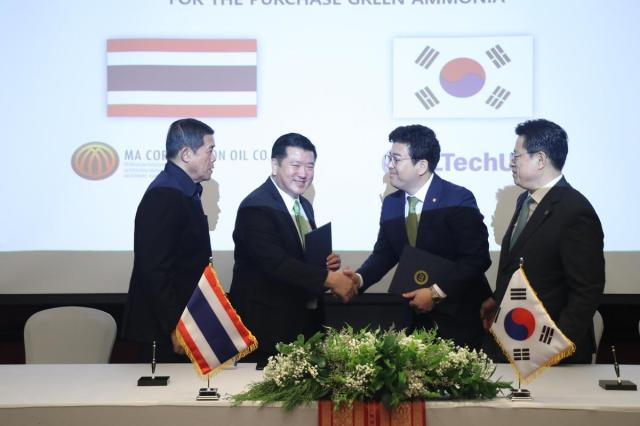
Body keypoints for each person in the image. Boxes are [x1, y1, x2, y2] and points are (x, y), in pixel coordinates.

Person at [348, 124, 493, 350]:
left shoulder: (458, 199)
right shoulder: (392, 203)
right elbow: (384, 254)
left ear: (422, 165)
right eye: (389, 158)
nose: (390, 166)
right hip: (412, 319)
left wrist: (435, 293)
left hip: (457, 319)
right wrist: (358, 279)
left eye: (396, 159)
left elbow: (476, 259)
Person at [481, 119, 605, 363]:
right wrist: (496, 298)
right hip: (514, 337)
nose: (511, 162)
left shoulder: (574, 210)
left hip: (548, 353)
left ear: (540, 159)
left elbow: (587, 289)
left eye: (516, 156)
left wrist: (556, 345)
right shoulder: (524, 201)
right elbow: (522, 264)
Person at [229, 133, 358, 366]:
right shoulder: (256, 206)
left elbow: (296, 256)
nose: (303, 173)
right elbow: (276, 264)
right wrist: (329, 278)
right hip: (268, 328)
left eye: (310, 166)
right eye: (296, 165)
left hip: (305, 323)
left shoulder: (303, 204)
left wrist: (324, 264)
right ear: (275, 165)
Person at [123, 118, 216, 363]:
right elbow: (154, 268)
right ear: (186, 154)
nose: (214, 158)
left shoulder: (183, 190)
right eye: (210, 151)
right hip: (165, 331)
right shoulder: (165, 194)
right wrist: (176, 324)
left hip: (183, 323)